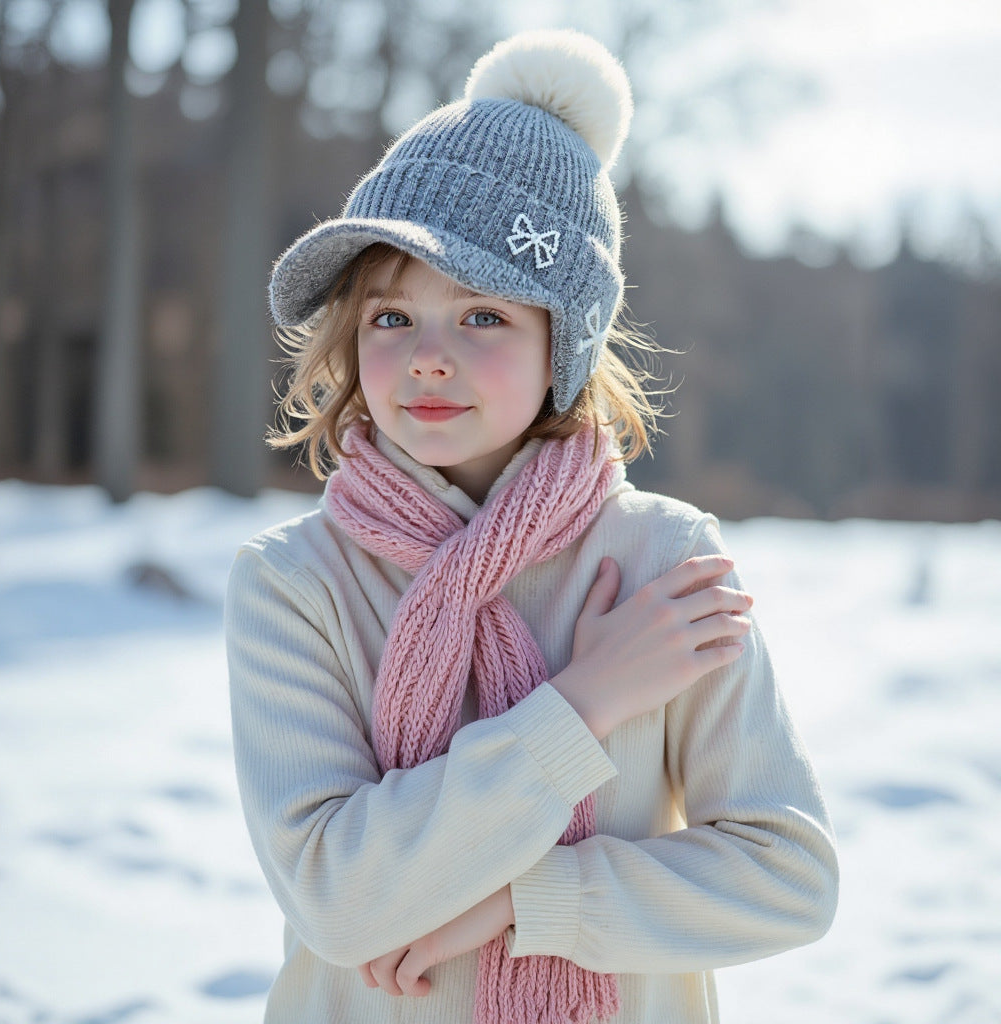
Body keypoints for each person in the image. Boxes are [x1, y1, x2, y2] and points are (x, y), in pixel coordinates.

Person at [225, 29, 838, 1024]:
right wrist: (583, 703)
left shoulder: (663, 562)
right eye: (389, 317)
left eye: (482, 317)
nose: (427, 358)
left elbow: (788, 875)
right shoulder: (297, 582)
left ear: (567, 338)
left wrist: (528, 902)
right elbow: (338, 899)